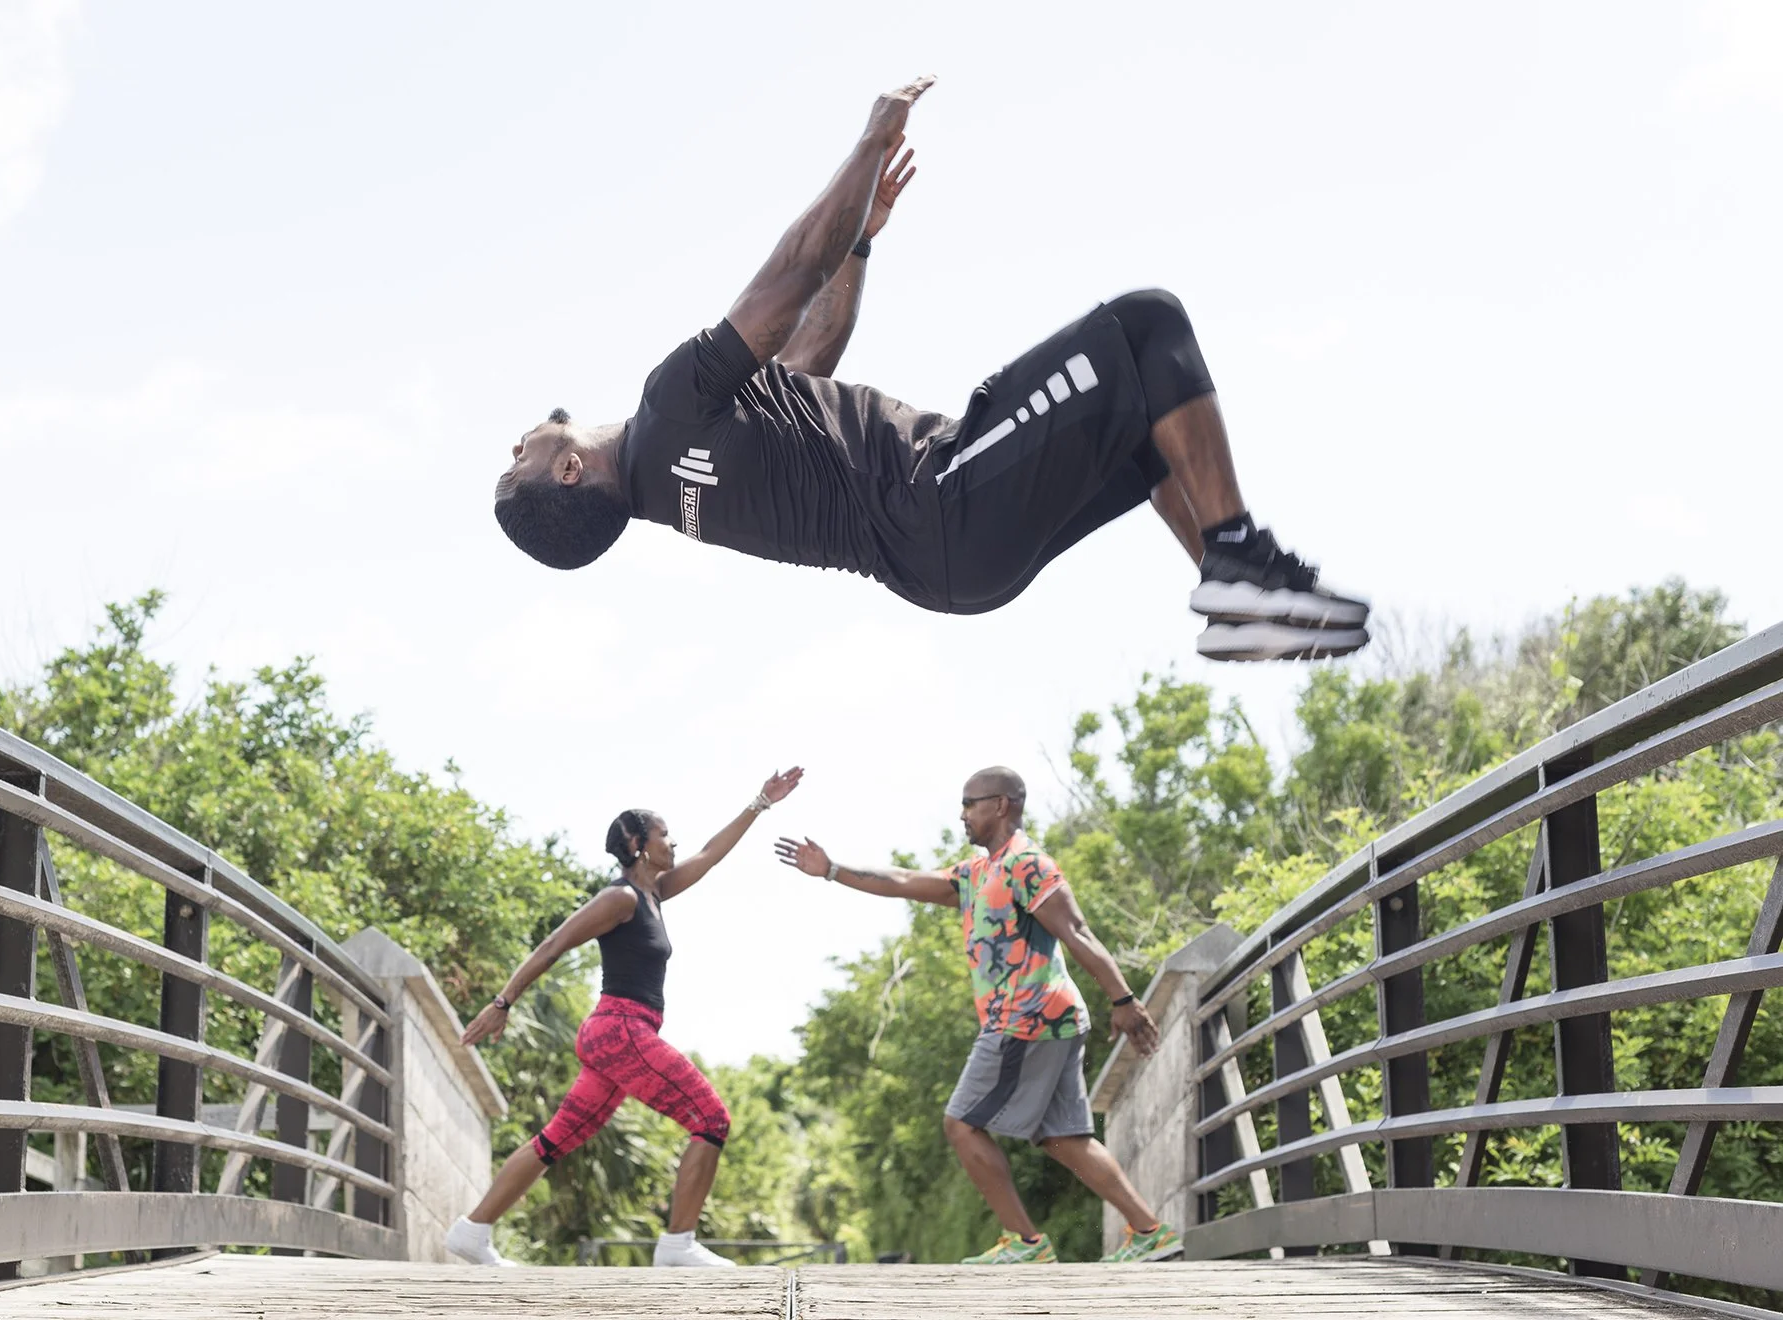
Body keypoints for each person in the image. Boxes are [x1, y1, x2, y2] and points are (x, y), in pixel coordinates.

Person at [493, 76, 1367, 663]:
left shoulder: (674, 485)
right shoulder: (665, 410)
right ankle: (1236, 563)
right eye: (515, 461)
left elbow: (805, 364)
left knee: (1141, 423)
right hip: (941, 497)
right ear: (570, 473)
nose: (515, 443)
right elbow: (787, 279)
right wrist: (868, 141)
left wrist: (861, 239)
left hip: (947, 567)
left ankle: (1233, 594)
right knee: (1147, 327)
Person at [774, 766, 1179, 1265]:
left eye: (970, 804)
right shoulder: (977, 873)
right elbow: (902, 881)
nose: (963, 814)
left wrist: (1123, 999)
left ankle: (1026, 1243)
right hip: (1048, 1019)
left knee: (961, 1123)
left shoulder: (1027, 864)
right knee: (1062, 1138)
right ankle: (1150, 1233)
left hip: (1026, 1017)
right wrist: (833, 869)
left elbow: (1077, 931)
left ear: (1002, 805)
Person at [445, 767, 804, 1268]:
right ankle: (678, 1246)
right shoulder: (621, 898)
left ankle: (471, 1231)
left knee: (556, 1139)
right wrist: (503, 1002)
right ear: (638, 843)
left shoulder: (656, 895)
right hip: (620, 1030)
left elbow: (709, 854)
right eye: (663, 835)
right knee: (711, 1119)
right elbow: (553, 944)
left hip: (618, 1038)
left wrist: (760, 802)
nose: (673, 842)